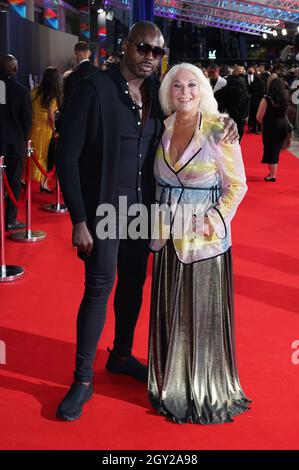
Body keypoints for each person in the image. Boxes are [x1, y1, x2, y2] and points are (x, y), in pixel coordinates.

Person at [55, 21, 239, 421]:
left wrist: (226, 121)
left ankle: (121, 354)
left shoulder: (157, 100)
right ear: (125, 47)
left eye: (157, 52)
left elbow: (195, 115)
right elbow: (66, 157)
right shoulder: (94, 90)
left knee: (134, 285)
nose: (149, 58)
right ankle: (82, 379)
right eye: (143, 48)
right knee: (99, 286)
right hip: (104, 212)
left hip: (145, 216)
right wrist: (79, 218)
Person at [148, 63, 251, 424]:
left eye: (192, 84)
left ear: (203, 89)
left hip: (204, 242)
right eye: (177, 86)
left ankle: (203, 385)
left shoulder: (218, 130)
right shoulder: (162, 128)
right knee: (169, 310)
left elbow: (237, 185)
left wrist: (214, 219)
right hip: (166, 238)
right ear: (167, 92)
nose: (185, 91)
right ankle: (169, 382)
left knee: (201, 313)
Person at [0, 54, 32, 231]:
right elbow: (27, 122)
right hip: (14, 145)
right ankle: (10, 219)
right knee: (13, 183)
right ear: (15, 69)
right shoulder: (21, 91)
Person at [29, 66, 62, 192]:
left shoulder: (35, 92)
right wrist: (54, 129)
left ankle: (25, 179)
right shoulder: (53, 95)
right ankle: (44, 183)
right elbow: (51, 115)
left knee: (32, 156)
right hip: (46, 130)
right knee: (45, 156)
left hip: (33, 128)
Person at [256, 77, 290, 182]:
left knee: (271, 150)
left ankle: (272, 175)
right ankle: (272, 173)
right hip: (283, 125)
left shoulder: (266, 100)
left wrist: (263, 124)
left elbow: (259, 117)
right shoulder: (286, 98)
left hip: (271, 126)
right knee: (276, 149)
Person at [63, 41, 98, 107]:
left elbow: (68, 102)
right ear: (89, 53)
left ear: (76, 54)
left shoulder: (71, 77)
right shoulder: (99, 72)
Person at [215, 74, 249, 141]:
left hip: (221, 124)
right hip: (238, 125)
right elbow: (245, 112)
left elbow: (215, 110)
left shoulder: (219, 94)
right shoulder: (245, 96)